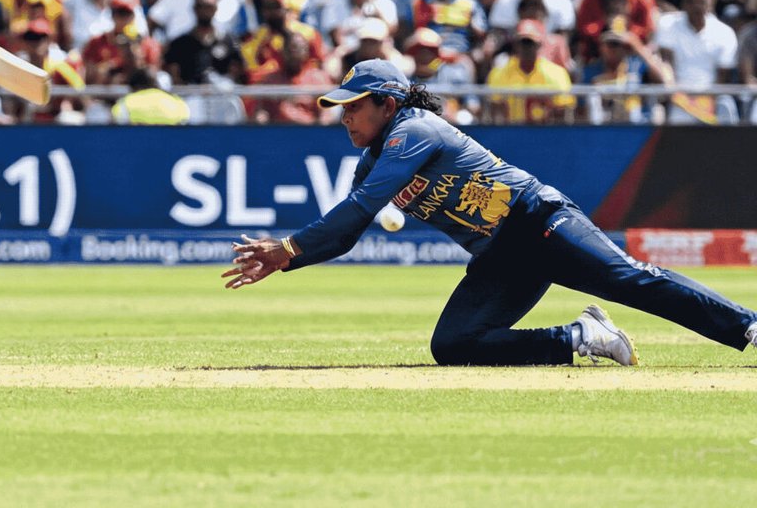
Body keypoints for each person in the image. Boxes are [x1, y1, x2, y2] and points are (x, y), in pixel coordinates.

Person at [223, 59, 757, 365]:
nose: (345, 118)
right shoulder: (372, 163)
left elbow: (359, 206)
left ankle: (749, 327)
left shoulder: (415, 130)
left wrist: (288, 246)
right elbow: (347, 232)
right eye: (342, 108)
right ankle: (583, 337)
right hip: (503, 254)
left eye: (354, 106)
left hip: (539, 220)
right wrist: (289, 260)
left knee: (630, 279)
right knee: (453, 344)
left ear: (388, 103)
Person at [485, 21, 575, 124]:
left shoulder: (557, 73)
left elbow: (563, 112)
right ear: (515, 45)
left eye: (530, 43)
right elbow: (496, 110)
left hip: (545, 130)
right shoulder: (499, 73)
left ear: (539, 45)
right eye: (523, 43)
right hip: (511, 130)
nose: (526, 48)